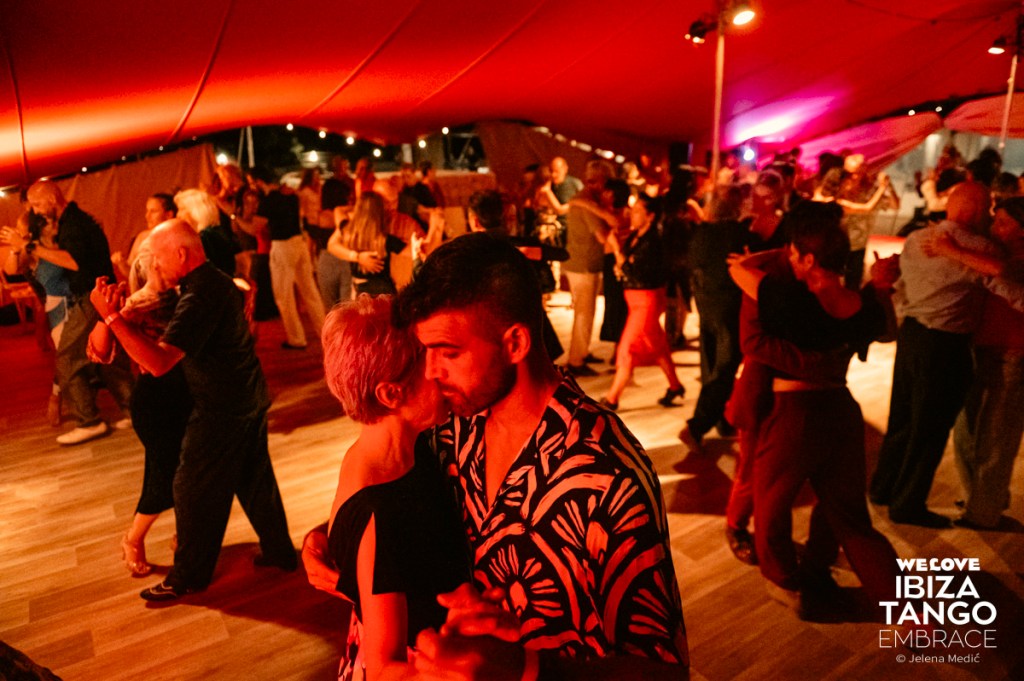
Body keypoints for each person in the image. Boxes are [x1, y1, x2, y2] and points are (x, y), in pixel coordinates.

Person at [394, 233, 688, 678]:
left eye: (449, 353)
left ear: (515, 343)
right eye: (427, 352)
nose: (432, 372)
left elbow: (664, 673)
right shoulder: (457, 427)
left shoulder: (606, 477)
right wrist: (344, 528)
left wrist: (527, 670)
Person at [90, 219, 296, 601]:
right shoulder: (212, 282)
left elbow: (159, 363)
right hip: (246, 394)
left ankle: (187, 577)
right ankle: (280, 551)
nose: (153, 264)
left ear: (182, 254)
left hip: (222, 406)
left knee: (191, 490)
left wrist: (113, 317)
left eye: (158, 257)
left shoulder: (200, 294)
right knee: (254, 479)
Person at [728, 202, 901, 618]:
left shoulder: (788, 300)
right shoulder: (859, 303)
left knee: (771, 504)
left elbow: (741, 275)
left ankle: (787, 583)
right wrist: (881, 285)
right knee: (851, 517)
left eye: (795, 253)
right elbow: (886, 328)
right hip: (842, 408)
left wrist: (762, 257)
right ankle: (905, 608)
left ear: (808, 258)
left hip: (795, 412)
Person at [321, 294, 471, 680]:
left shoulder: (403, 450)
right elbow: (384, 665)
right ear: (391, 394)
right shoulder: (380, 514)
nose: (444, 372)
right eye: (431, 364)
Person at [870, 182, 1024, 527]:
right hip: (945, 345)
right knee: (930, 429)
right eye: (989, 211)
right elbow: (1009, 289)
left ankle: (883, 488)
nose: (990, 219)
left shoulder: (916, 239)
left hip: (912, 336)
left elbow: (901, 282)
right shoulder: (981, 249)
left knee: (902, 419)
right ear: (976, 210)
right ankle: (907, 504)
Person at [88, 231, 191, 576]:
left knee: (187, 471)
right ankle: (133, 539)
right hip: (156, 401)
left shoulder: (186, 296)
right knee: (163, 476)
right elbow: (99, 352)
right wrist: (107, 315)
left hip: (188, 396)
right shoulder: (136, 304)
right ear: (153, 265)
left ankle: (184, 536)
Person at [1, 181, 134, 445]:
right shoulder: (66, 227)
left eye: (37, 205)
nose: (37, 211)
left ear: (51, 200)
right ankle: (133, 411)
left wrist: (28, 246)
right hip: (82, 301)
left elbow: (75, 262)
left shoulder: (72, 227)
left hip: (88, 299)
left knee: (70, 359)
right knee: (105, 359)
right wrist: (19, 247)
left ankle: (91, 421)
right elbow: (13, 269)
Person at [920, 197, 1024, 528]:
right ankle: (981, 499)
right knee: (967, 432)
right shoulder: (995, 252)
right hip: (981, 350)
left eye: (1003, 222)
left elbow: (1000, 274)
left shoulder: (1014, 261)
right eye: (994, 220)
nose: (994, 228)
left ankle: (984, 513)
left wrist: (951, 249)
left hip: (1013, 354)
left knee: (996, 437)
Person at [599, 194, 685, 410]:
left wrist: (617, 251)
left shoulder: (653, 241)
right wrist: (620, 262)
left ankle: (612, 399)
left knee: (627, 348)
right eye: (633, 210)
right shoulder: (636, 236)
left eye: (638, 210)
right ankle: (675, 386)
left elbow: (634, 271)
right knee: (658, 346)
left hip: (647, 301)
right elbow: (626, 268)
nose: (632, 214)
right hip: (636, 300)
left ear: (650, 216)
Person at [253, 168, 327, 350]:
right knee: (310, 291)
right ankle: (326, 333)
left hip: (282, 246)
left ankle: (297, 338)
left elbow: (255, 227)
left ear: (259, 181)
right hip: (299, 243)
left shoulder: (268, 200)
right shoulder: (291, 195)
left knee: (284, 295)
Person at [327, 191, 403, 297]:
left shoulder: (348, 232)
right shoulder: (386, 239)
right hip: (384, 292)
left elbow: (332, 245)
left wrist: (356, 256)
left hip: (361, 291)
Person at [174, 188, 237, 276]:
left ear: (196, 211)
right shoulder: (213, 232)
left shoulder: (206, 237)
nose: (178, 215)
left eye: (182, 209)